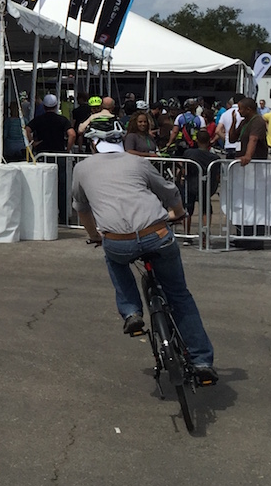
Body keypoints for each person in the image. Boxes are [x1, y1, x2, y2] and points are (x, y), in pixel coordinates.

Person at [72, 125, 217, 384]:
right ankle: (202, 360)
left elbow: (82, 210)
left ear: (93, 145)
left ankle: (131, 312)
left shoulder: (81, 168)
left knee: (114, 258)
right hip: (156, 234)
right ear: (121, 142)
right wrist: (178, 212)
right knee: (179, 296)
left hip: (117, 241)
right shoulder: (137, 163)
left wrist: (95, 236)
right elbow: (170, 191)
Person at [27, 94, 74, 222]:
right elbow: (72, 134)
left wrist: (33, 142)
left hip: (43, 156)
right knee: (62, 187)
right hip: (59, 155)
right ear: (55, 105)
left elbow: (27, 129)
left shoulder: (39, 119)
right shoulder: (62, 120)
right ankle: (63, 217)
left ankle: (44, 216)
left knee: (43, 186)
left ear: (44, 106)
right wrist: (68, 149)